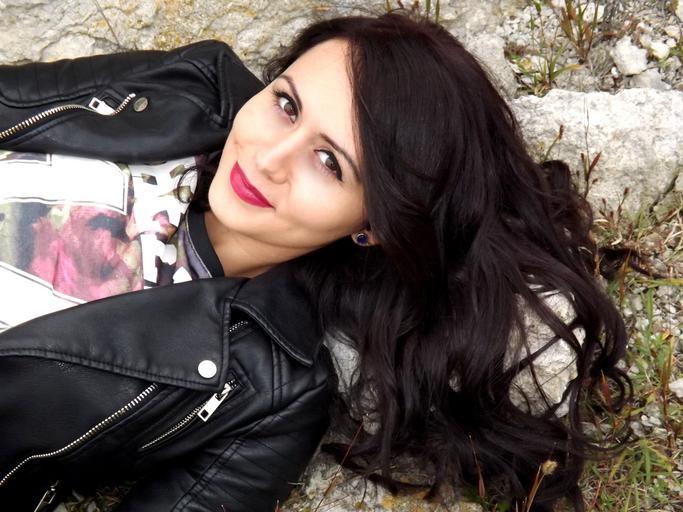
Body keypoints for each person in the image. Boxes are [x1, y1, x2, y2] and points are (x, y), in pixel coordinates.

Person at [0, 10, 631, 512]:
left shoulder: (271, 391)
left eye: (329, 163)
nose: (270, 158)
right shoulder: (193, 87)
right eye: (287, 105)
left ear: (375, 226)